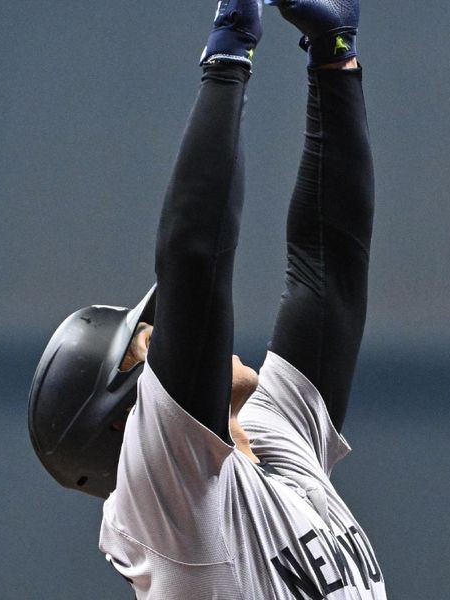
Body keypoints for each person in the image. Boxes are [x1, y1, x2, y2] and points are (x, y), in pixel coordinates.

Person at [28, 0, 384, 596]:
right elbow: (195, 258)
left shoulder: (266, 441)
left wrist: (335, 59)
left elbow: (330, 267)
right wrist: (227, 58)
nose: (177, 342)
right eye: (151, 344)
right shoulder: (169, 508)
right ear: (127, 423)